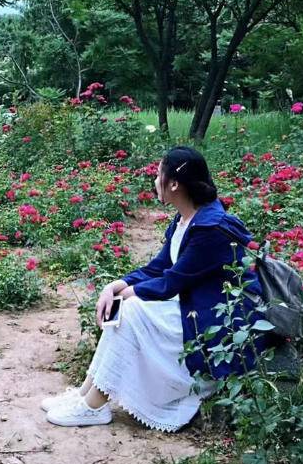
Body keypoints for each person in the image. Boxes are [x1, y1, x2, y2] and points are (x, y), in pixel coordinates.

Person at [42, 146, 271, 430]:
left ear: (174, 184)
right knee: (129, 304)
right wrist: (115, 285)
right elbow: (159, 266)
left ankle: (94, 407)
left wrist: (123, 296)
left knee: (133, 309)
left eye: (158, 174)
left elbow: (172, 281)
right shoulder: (187, 218)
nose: (154, 181)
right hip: (195, 306)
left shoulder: (211, 228)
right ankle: (85, 394)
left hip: (218, 322)